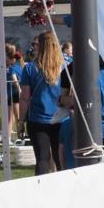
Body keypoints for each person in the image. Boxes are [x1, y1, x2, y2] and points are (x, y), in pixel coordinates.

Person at [20, 31, 65, 175]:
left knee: (42, 159)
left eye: (36, 44)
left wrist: (21, 121)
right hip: (62, 118)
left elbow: (25, 98)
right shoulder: (65, 66)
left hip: (38, 119)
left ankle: (41, 186)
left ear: (41, 46)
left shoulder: (30, 68)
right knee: (61, 159)